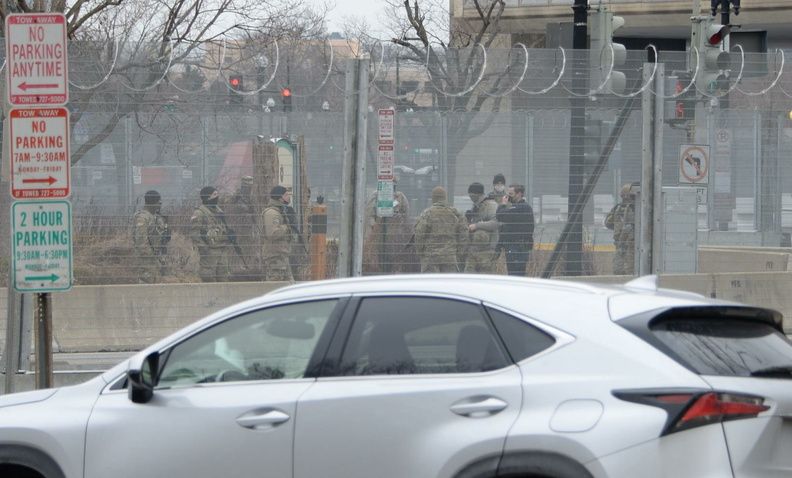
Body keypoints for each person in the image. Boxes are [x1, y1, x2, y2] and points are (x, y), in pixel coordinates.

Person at [414, 186, 469, 273]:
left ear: (433, 198)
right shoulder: (456, 213)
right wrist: (458, 251)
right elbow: (464, 233)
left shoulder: (427, 213)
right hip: (450, 255)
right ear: (444, 198)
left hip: (431, 256)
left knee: (431, 284)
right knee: (448, 284)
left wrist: (421, 251)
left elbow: (419, 233)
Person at [190, 186, 232, 282]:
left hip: (222, 249)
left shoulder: (218, 210)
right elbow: (195, 233)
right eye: (214, 194)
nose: (217, 197)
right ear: (207, 196)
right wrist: (204, 248)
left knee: (223, 277)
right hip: (209, 252)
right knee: (209, 278)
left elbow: (223, 227)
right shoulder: (199, 212)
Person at [496, 184, 535, 276]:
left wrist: (503, 205)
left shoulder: (521, 208)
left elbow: (500, 216)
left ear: (519, 194)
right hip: (516, 246)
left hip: (517, 247)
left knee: (516, 275)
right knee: (515, 274)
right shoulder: (519, 208)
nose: (508, 196)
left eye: (511, 194)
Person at [133, 190, 171, 284]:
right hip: (148, 256)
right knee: (147, 280)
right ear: (153, 203)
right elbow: (141, 239)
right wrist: (150, 254)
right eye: (158, 203)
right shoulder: (143, 217)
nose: (160, 205)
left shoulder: (156, 217)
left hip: (157, 254)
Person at [262, 185, 296, 282]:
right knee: (274, 285)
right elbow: (273, 234)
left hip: (282, 254)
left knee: (289, 284)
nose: (288, 197)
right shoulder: (272, 213)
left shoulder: (281, 211)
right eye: (285, 195)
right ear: (279, 197)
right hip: (275, 256)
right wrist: (286, 226)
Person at [464, 182, 499, 273]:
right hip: (474, 250)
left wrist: (477, 225)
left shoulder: (491, 205)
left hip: (487, 251)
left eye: (472, 195)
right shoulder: (476, 207)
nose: (471, 198)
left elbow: (495, 223)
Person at [605, 183, 636, 275]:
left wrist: (617, 227)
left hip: (621, 242)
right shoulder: (634, 207)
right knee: (630, 267)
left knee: (619, 267)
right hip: (631, 242)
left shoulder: (617, 208)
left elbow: (607, 223)